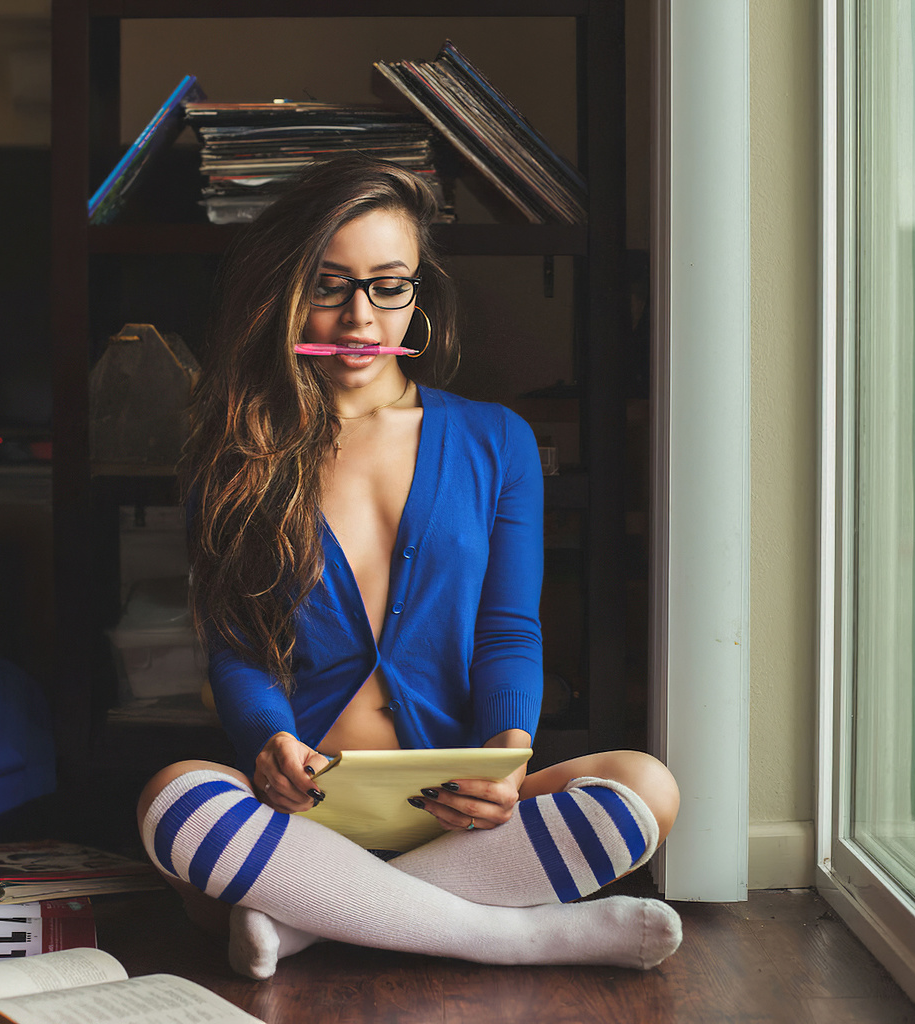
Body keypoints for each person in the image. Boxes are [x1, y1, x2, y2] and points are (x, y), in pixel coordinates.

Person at [137, 154, 682, 980]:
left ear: (417, 292)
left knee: (646, 785)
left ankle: (312, 920)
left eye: (388, 284)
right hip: (300, 807)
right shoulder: (233, 454)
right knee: (172, 798)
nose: (360, 316)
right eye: (329, 285)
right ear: (286, 292)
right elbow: (239, 646)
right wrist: (269, 743)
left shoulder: (496, 440)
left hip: (457, 808)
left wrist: (507, 754)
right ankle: (506, 934)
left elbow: (508, 626)